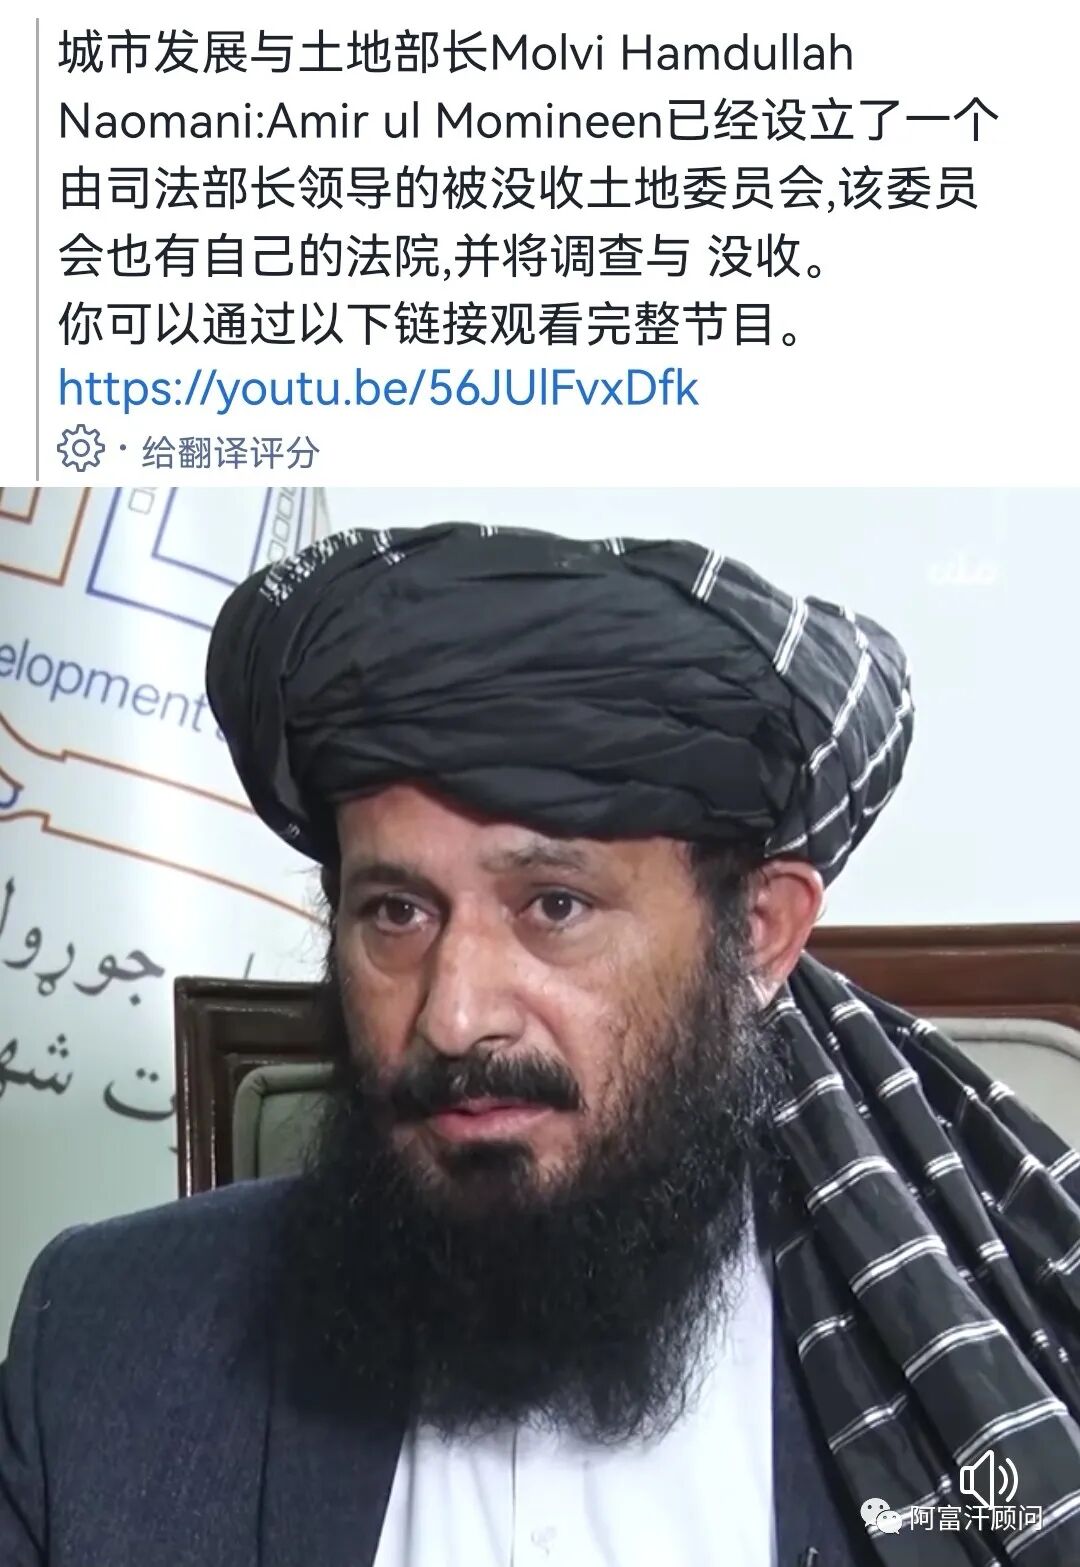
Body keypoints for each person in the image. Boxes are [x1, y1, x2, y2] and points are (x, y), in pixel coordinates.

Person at [3, 522, 1080, 1567]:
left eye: (554, 905)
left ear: (757, 932)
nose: (455, 1016)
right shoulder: (105, 1345)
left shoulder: (959, 1368)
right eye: (396, 912)